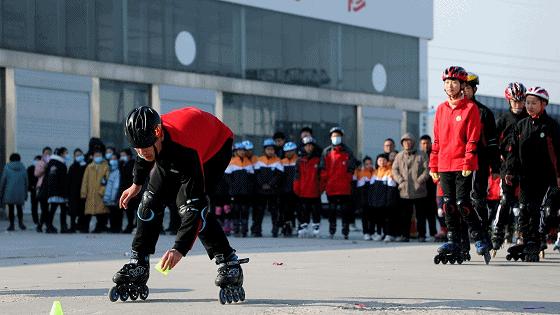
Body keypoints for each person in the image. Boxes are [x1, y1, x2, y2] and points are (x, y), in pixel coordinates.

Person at [111, 106, 247, 303]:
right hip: (175, 143)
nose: (141, 152)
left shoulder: (186, 152)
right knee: (148, 204)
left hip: (215, 147)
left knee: (188, 207)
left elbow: (195, 206)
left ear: (158, 133)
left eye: (145, 147)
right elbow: (143, 157)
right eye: (136, 148)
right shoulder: (148, 136)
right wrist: (136, 184)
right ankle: (138, 262)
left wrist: (179, 248)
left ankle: (229, 262)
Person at [430, 66, 491, 264]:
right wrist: (433, 166)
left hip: (463, 164)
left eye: (454, 82)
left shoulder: (470, 108)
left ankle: (479, 236)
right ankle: (453, 240)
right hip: (444, 164)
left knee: (462, 202)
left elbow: (472, 139)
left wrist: (468, 161)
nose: (450, 85)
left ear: (462, 85)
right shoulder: (440, 109)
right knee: (448, 204)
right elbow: (437, 140)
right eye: (447, 82)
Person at [504, 86, 559, 262]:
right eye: (527, 102)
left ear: (544, 104)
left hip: (547, 178)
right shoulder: (520, 126)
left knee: (542, 211)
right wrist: (509, 171)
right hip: (526, 177)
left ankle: (538, 239)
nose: (529, 106)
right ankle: (528, 241)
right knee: (524, 210)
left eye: (534, 103)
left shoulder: (551, 126)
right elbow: (512, 151)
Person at [491, 82, 529, 251]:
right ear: (509, 101)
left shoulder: (528, 118)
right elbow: (493, 145)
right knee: (505, 201)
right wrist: (497, 167)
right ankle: (497, 232)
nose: (518, 105)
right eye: (515, 101)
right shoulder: (503, 120)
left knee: (524, 204)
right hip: (507, 167)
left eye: (521, 101)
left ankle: (522, 234)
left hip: (526, 167)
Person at [464, 73, 500, 232]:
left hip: (479, 162)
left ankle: (482, 231)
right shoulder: (450, 110)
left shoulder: (484, 112)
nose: (463, 91)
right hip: (457, 162)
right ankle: (462, 232)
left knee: (477, 198)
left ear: (474, 89)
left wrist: (495, 167)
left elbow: (493, 143)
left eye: (467, 88)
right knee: (458, 199)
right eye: (461, 87)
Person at [319, 127, 357, 239]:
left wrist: (348, 178)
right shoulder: (326, 151)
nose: (336, 138)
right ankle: (332, 229)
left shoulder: (348, 151)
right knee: (332, 210)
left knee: (345, 210)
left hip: (344, 186)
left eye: (338, 136)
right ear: (331, 137)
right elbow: (322, 168)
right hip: (331, 186)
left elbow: (352, 167)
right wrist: (326, 180)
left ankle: (345, 230)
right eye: (334, 136)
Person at [392, 133, 430, 242]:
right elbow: (394, 170)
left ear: (413, 142)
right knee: (405, 216)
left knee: (421, 215)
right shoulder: (399, 156)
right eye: (404, 141)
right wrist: (400, 181)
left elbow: (427, 170)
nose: (407, 143)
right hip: (404, 191)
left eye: (409, 141)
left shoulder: (422, 154)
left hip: (419, 191)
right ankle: (405, 236)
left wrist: (419, 181)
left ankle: (422, 235)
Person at [253, 138, 284, 237]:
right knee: (259, 212)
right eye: (268, 149)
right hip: (260, 191)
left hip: (273, 191)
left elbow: (279, 176)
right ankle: (257, 230)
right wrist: (262, 184)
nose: (270, 151)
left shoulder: (278, 161)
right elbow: (256, 175)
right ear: (264, 150)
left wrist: (270, 185)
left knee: (274, 211)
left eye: (272, 149)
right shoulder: (259, 160)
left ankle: (275, 230)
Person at [294, 136, 322, 237]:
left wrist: (320, 187)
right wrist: (296, 187)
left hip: (315, 190)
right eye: (307, 146)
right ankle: (303, 226)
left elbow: (322, 175)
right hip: (303, 190)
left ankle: (316, 227)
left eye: (311, 146)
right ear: (303, 147)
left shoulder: (318, 160)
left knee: (316, 210)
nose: (309, 148)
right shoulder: (299, 161)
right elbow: (296, 175)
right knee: (303, 210)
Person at [224, 142, 254, 237]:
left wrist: (249, 188)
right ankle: (236, 228)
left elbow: (251, 177)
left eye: (243, 150)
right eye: (240, 150)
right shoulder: (232, 162)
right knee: (235, 209)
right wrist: (233, 186)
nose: (242, 152)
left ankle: (244, 229)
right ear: (236, 151)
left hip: (245, 192)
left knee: (245, 209)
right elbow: (227, 177)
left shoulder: (248, 162)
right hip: (235, 191)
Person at [81, 150, 110, 233]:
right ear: (93, 157)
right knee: (88, 212)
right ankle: (85, 228)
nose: (98, 157)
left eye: (99, 155)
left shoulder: (106, 167)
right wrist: (83, 192)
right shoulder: (89, 167)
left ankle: (99, 228)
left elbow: (106, 180)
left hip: (100, 194)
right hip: (90, 193)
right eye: (96, 155)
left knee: (100, 212)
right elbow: (85, 181)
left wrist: (102, 191)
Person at [44, 147, 71, 233]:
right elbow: (63, 180)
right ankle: (62, 227)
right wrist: (65, 192)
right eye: (66, 153)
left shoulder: (51, 163)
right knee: (62, 209)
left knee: (53, 209)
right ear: (62, 154)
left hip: (53, 190)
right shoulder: (61, 164)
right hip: (60, 190)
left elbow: (49, 177)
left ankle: (49, 226)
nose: (67, 155)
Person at [0, 153, 28, 231]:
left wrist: (1, 191)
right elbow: (26, 181)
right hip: (20, 191)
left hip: (9, 191)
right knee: (19, 208)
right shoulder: (23, 168)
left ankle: (11, 225)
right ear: (19, 159)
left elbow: (3, 180)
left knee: (11, 209)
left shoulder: (7, 167)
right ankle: (21, 223)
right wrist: (25, 193)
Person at [419, 135, 438, 240]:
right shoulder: (418, 155)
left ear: (431, 143)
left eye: (427, 143)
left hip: (433, 187)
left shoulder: (434, 154)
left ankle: (433, 233)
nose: (425, 145)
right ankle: (421, 234)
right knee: (421, 213)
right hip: (420, 187)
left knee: (432, 212)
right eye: (423, 143)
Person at [280, 141, 299, 237]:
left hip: (295, 190)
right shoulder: (282, 162)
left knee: (296, 209)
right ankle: (286, 226)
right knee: (285, 210)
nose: (288, 153)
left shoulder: (298, 161)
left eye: (291, 151)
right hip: (284, 190)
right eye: (286, 151)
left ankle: (295, 226)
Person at [354, 156, 375, 240]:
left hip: (373, 197)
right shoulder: (360, 172)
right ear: (364, 165)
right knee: (365, 216)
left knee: (373, 216)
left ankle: (372, 232)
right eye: (366, 164)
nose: (369, 165)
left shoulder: (375, 171)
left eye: (370, 163)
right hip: (364, 197)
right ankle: (366, 232)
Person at [68, 148, 87, 233]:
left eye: (80, 155)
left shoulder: (86, 166)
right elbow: (68, 180)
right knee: (73, 210)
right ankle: (72, 226)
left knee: (82, 210)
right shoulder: (72, 166)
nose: (78, 156)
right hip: (73, 192)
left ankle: (81, 226)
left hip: (83, 191)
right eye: (76, 155)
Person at [34, 146, 52, 232]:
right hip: (41, 187)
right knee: (44, 207)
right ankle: (47, 225)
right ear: (43, 154)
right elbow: (36, 174)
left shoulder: (52, 162)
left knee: (46, 208)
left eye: (49, 153)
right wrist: (45, 168)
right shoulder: (40, 163)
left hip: (50, 187)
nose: (48, 154)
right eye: (46, 153)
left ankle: (41, 225)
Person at [105, 153, 122, 233]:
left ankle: (117, 228)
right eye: (111, 159)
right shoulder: (109, 170)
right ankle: (113, 228)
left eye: (114, 159)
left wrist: (114, 197)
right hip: (110, 196)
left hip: (115, 196)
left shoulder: (118, 171)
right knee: (112, 213)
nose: (113, 161)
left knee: (116, 213)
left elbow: (116, 186)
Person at [27, 155, 41, 225]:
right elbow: (27, 179)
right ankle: (36, 220)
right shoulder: (30, 168)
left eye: (38, 160)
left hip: (41, 189)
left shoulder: (43, 168)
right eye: (35, 160)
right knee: (34, 205)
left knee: (43, 205)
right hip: (33, 189)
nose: (36, 162)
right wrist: (30, 187)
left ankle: (42, 219)